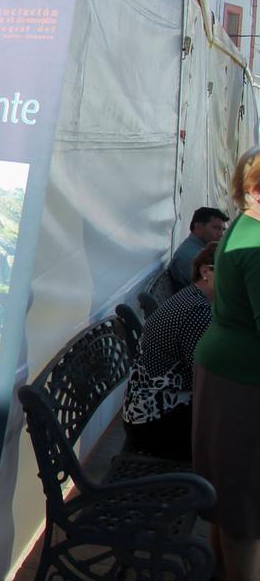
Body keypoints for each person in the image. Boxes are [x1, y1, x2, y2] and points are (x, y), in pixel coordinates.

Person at [193, 149, 260, 581]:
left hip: (224, 373)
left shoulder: (241, 226)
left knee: (226, 499)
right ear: (256, 189)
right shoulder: (255, 242)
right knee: (243, 510)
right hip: (240, 382)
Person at [122, 242, 216, 460]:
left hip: (147, 412)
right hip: (157, 423)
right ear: (206, 271)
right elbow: (204, 379)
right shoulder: (198, 311)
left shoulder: (193, 298)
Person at [168, 207, 228, 288]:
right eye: (216, 228)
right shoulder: (190, 256)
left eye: (222, 229)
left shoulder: (199, 250)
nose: (221, 234)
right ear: (198, 227)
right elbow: (215, 289)